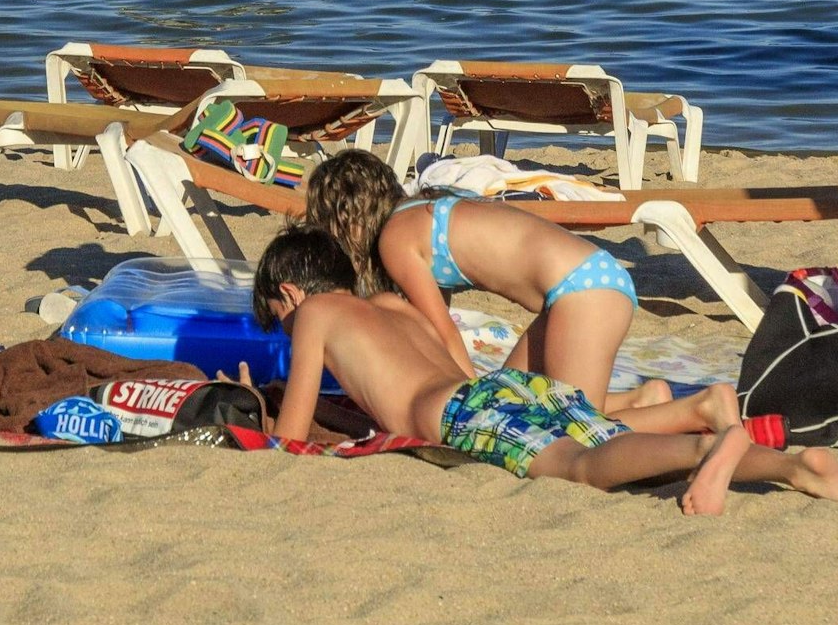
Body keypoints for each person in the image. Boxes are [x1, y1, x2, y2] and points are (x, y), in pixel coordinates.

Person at [252, 227, 838, 511]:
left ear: (292, 292)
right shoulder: (388, 305)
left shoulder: (315, 317)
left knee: (582, 468)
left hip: (467, 414)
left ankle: (711, 447)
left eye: (278, 316)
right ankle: (795, 467)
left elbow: (293, 438)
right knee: (617, 442)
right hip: (499, 390)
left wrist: (260, 403)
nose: (287, 329)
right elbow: (398, 391)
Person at [306, 147, 733, 434]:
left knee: (571, 429)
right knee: (516, 402)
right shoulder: (419, 213)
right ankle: (645, 398)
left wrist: (465, 402)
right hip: (578, 287)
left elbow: (445, 331)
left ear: (350, 217)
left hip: (581, 294)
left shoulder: (395, 238)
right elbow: (435, 328)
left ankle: (698, 409)